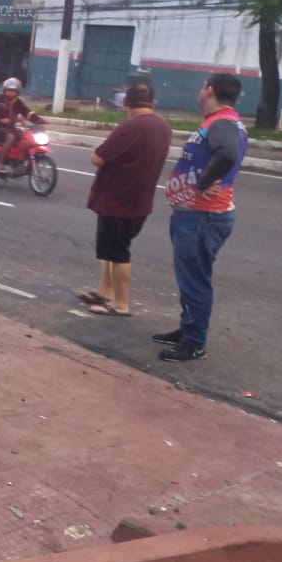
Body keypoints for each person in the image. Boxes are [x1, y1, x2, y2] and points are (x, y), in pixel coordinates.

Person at [154, 74, 248, 361]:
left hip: (202, 217)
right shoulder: (220, 121)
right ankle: (188, 329)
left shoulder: (222, 122)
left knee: (195, 280)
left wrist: (204, 182)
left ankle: (194, 343)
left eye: (202, 86)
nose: (200, 90)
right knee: (189, 277)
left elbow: (228, 154)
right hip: (194, 215)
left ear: (209, 89)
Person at [77, 82, 172, 317]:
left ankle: (120, 304)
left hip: (118, 199)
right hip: (140, 199)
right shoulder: (163, 125)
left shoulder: (130, 128)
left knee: (119, 252)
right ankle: (105, 290)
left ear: (126, 103)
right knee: (110, 249)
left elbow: (97, 158)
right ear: (154, 103)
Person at [0, 77, 43, 173]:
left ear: (17, 92)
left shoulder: (17, 102)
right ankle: (0, 163)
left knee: (26, 137)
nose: (10, 93)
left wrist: (39, 120)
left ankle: (18, 161)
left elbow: (27, 112)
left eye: (13, 91)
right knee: (11, 137)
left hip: (9, 128)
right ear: (4, 90)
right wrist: (0, 120)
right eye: (8, 90)